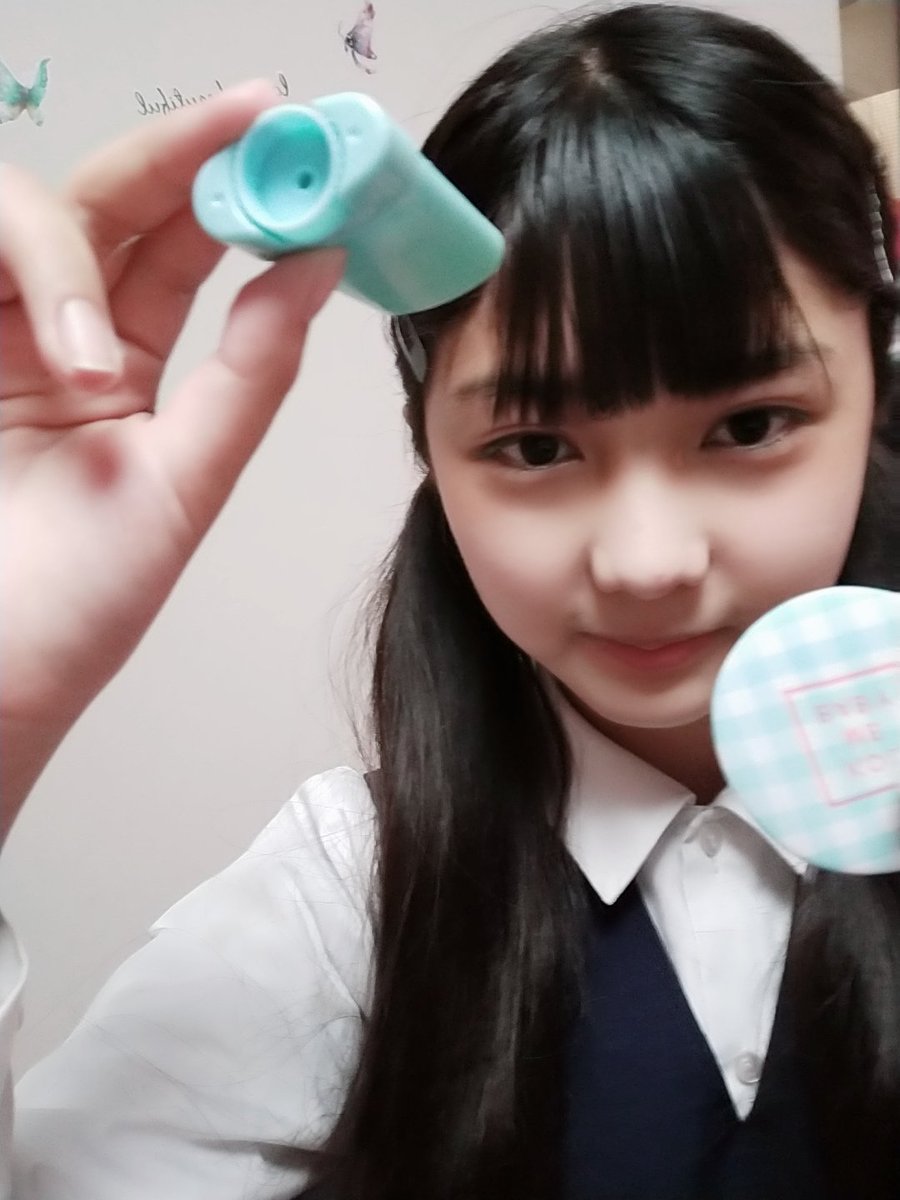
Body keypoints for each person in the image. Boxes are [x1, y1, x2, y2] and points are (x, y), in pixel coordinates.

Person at [1, 4, 898, 1198]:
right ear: (430, 446)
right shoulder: (354, 892)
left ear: (877, 384)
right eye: (536, 447)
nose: (645, 563)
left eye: (749, 426)